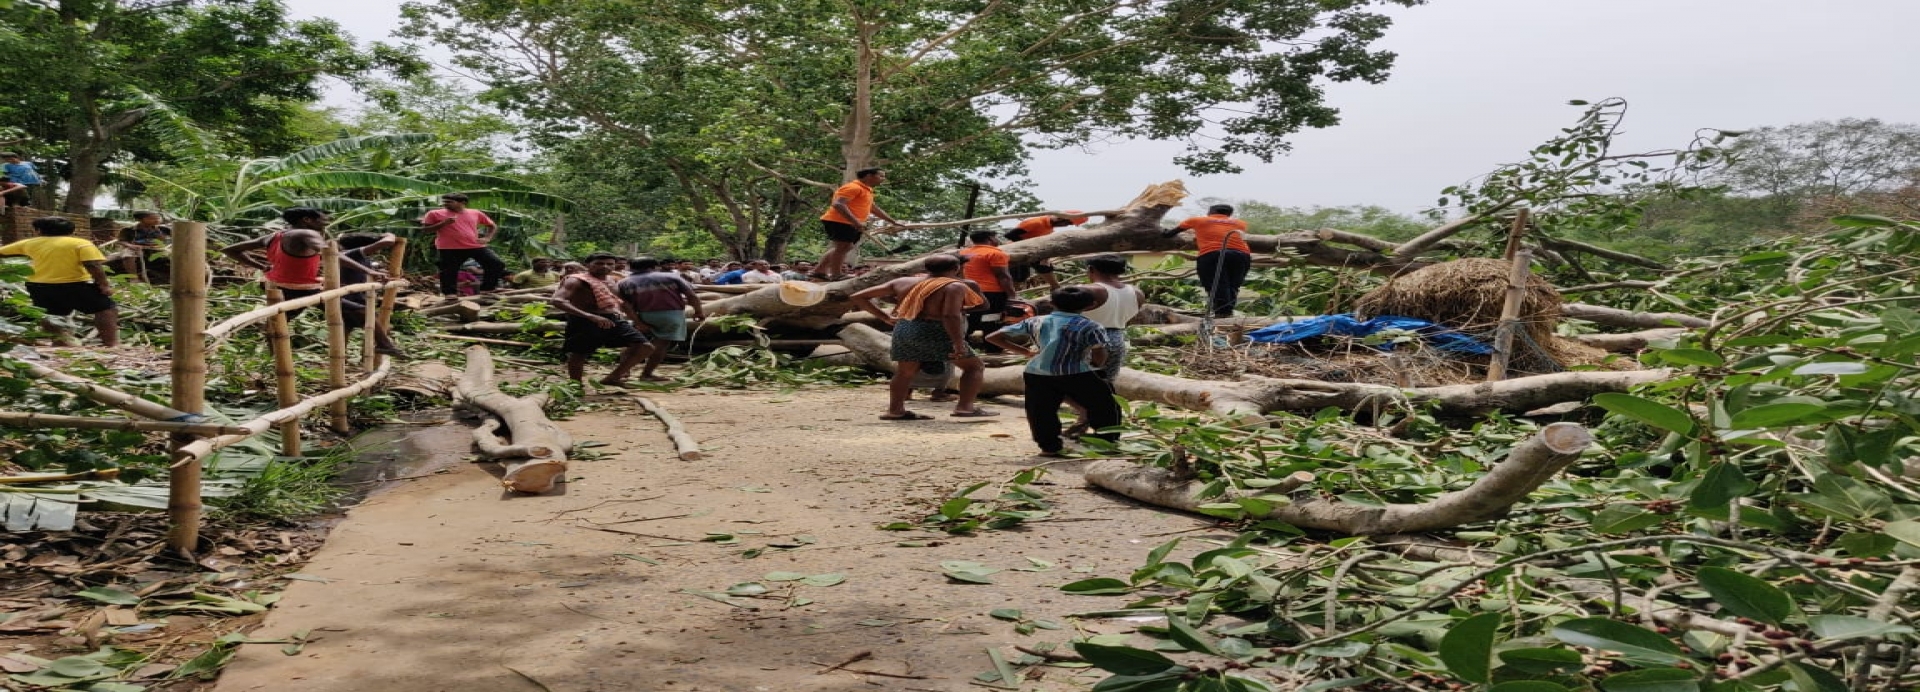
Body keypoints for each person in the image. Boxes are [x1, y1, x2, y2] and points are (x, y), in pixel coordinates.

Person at [220, 208, 398, 355]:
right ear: (307, 220)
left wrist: (260, 266)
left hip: (279, 285)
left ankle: (273, 358)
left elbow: (231, 250)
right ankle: (384, 345)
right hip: (301, 288)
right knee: (360, 310)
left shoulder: (274, 236)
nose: (325, 223)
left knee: (278, 323)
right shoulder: (307, 233)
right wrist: (369, 271)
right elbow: (331, 254)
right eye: (322, 220)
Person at [850, 254, 995, 419]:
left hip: (905, 326)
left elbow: (857, 297)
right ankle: (965, 407)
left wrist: (884, 317)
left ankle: (895, 411)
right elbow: (950, 316)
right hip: (936, 329)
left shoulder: (903, 282)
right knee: (974, 367)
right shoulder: (955, 286)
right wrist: (958, 342)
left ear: (926, 268)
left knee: (904, 372)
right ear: (956, 269)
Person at [986, 286, 1122, 456]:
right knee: (1105, 406)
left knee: (1040, 411)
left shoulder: (1035, 321)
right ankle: (1106, 442)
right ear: (1091, 305)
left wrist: (1026, 352)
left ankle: (1049, 447)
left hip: (1037, 372)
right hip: (1076, 371)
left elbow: (993, 337)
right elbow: (1099, 351)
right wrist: (1096, 366)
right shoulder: (1091, 326)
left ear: (1051, 303)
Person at [0, 217, 119, 347]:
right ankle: (111, 344)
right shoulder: (80, 243)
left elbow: (2, 252)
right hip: (74, 285)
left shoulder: (28, 243)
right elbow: (92, 264)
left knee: (51, 314)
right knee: (106, 308)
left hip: (38, 286)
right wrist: (104, 285)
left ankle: (60, 343)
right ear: (72, 231)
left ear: (38, 230)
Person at [551, 253, 653, 386]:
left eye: (609, 264)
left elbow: (623, 303)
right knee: (579, 353)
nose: (605, 266)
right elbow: (557, 300)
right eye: (599, 263)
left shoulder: (613, 280)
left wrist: (637, 321)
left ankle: (613, 377)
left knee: (645, 346)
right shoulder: (576, 280)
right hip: (584, 320)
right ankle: (575, 384)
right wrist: (590, 316)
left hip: (612, 318)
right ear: (587, 265)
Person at [1069, 254, 1143, 435]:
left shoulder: (1088, 290)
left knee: (1063, 382)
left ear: (1091, 269)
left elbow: (1062, 308)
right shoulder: (1137, 293)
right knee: (1104, 385)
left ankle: (1084, 415)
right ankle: (1102, 426)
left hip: (1086, 338)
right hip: (1116, 337)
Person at [616, 257, 705, 382]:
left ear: (631, 267)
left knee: (633, 342)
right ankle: (647, 374)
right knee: (661, 344)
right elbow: (691, 295)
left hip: (642, 313)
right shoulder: (672, 277)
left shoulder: (624, 282)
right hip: (671, 315)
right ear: (654, 266)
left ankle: (623, 371)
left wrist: (637, 321)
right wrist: (698, 311)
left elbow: (625, 305)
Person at [816, 167, 902, 280]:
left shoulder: (867, 190)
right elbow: (838, 204)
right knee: (844, 246)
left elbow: (873, 208)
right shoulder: (853, 187)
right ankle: (836, 274)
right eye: (880, 176)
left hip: (850, 222)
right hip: (839, 220)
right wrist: (855, 222)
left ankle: (819, 271)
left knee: (844, 247)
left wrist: (892, 221)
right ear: (869, 176)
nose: (883, 179)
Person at [1166, 203, 1251, 317]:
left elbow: (1169, 234)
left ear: (1210, 212)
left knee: (1216, 284)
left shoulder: (1197, 220)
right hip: (1241, 254)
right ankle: (1227, 312)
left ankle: (1222, 313)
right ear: (1229, 214)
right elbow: (1221, 230)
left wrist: (1165, 232)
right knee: (1233, 285)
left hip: (1213, 253)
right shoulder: (1240, 223)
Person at [419, 193, 508, 296]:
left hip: (474, 245)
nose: (445, 204)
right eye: (444, 202)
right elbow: (425, 230)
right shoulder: (434, 213)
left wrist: (487, 238)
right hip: (449, 247)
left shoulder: (475, 213)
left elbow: (492, 226)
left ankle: (487, 289)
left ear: (462, 202)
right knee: (449, 270)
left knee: (496, 263)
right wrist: (443, 223)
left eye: (449, 202)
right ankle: (450, 294)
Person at [957, 230, 1016, 344]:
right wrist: (1012, 295)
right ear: (990, 239)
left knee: (970, 318)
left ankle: (965, 347)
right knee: (992, 319)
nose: (998, 240)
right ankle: (993, 347)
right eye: (996, 237)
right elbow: (1003, 276)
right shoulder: (996, 253)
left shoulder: (964, 253)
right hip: (992, 293)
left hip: (968, 291)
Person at [1004, 213, 1088, 291]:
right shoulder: (1036, 222)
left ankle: (1055, 287)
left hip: (1030, 251)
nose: (1065, 226)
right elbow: (1010, 235)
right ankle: (1013, 293)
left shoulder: (1049, 228)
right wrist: (1028, 245)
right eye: (1067, 223)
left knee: (1043, 266)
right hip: (1015, 250)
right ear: (1060, 218)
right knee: (1019, 276)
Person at [117, 211, 171, 281]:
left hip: (158, 248)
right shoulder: (129, 230)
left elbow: (177, 236)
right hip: (137, 248)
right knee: (127, 254)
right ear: (140, 220)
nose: (157, 220)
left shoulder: (163, 229)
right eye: (152, 218)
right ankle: (133, 278)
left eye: (158, 218)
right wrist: (131, 246)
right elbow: (121, 241)